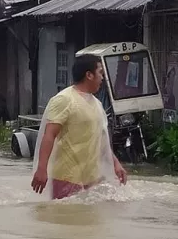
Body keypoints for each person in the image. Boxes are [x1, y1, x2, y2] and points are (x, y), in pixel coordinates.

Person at [31, 54, 128, 200]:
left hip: (92, 178)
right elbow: (49, 134)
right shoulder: (64, 99)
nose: (103, 78)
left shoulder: (97, 104)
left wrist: (116, 164)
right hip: (67, 177)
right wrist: (42, 168)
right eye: (100, 73)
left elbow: (101, 140)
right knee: (65, 219)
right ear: (89, 75)